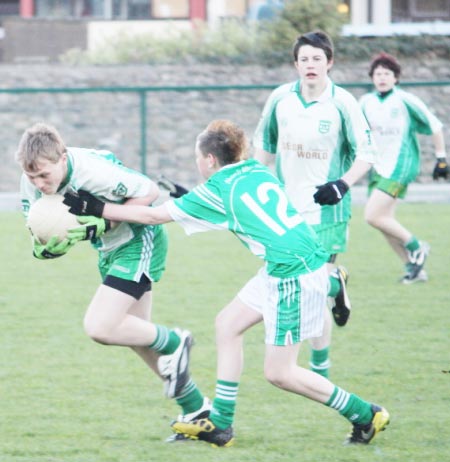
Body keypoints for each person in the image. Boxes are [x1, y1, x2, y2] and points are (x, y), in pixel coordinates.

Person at [63, 119, 390, 447]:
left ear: (209, 160)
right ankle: (220, 423)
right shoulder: (254, 170)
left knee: (280, 372)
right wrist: (190, 198)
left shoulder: (217, 187)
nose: (197, 162)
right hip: (293, 261)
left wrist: (99, 208)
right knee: (227, 324)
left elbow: (153, 216)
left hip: (292, 274)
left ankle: (366, 413)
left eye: (197, 157)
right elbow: (241, 206)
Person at [15, 122, 210, 439]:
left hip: (137, 242)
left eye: (44, 175)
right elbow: (37, 227)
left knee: (100, 327)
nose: (39, 183)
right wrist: (44, 250)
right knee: (137, 338)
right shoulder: (32, 182)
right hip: (108, 252)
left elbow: (149, 191)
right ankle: (199, 412)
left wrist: (103, 223)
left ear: (62, 158)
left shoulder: (92, 171)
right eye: (32, 176)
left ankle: (177, 341)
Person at [253, 30, 377, 377]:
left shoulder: (343, 102)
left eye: (317, 59)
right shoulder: (280, 98)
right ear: (296, 64)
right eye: (304, 59)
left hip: (327, 210)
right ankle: (336, 284)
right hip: (285, 212)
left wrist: (342, 184)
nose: (310, 65)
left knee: (313, 288)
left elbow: (367, 155)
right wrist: (257, 184)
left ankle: (319, 368)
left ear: (330, 63)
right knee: (312, 287)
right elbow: (264, 145)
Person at [360, 52, 448, 284]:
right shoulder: (365, 102)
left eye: (387, 74)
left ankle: (418, 246)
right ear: (372, 78)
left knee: (371, 215)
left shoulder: (405, 100)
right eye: (378, 74)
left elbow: (435, 126)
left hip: (401, 166)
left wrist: (441, 159)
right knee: (384, 221)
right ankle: (414, 268)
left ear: (396, 78)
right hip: (379, 169)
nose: (382, 77)